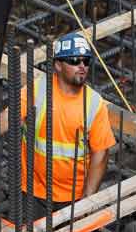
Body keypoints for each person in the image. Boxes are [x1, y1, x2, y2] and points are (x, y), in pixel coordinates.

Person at [13, 32, 115, 205]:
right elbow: (7, 119)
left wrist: (87, 200)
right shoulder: (38, 89)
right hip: (32, 189)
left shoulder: (93, 104)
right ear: (58, 65)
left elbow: (101, 153)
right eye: (75, 61)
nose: (82, 66)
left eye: (86, 61)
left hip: (71, 197)